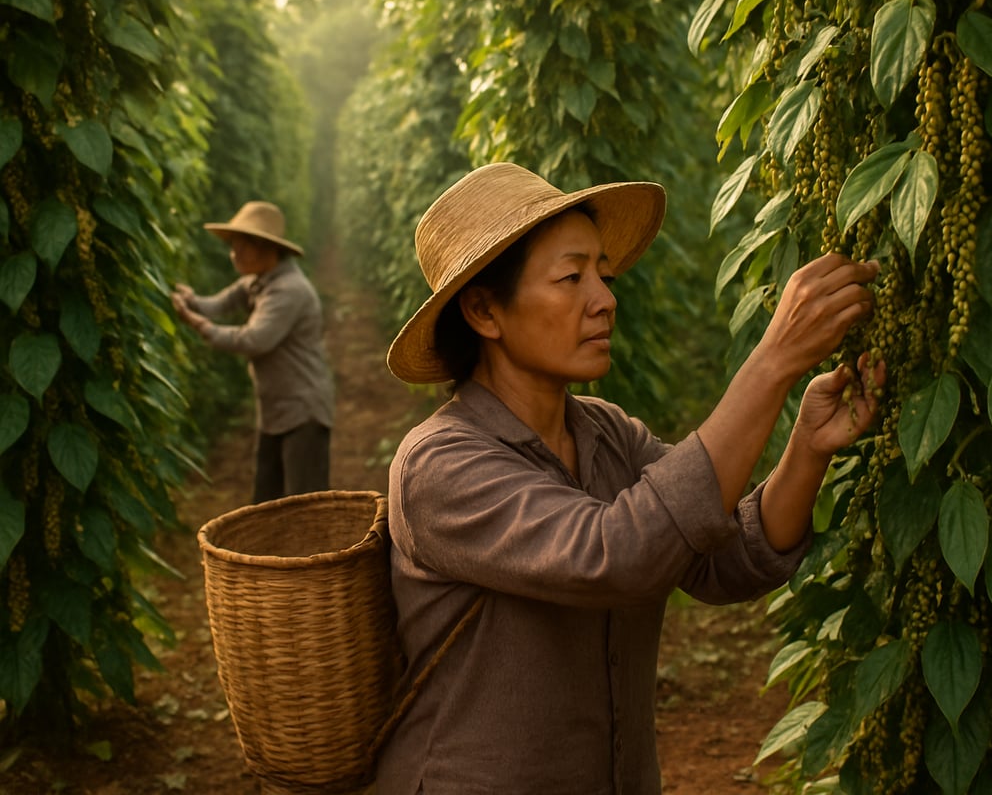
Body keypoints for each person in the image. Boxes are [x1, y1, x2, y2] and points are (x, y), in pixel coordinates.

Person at [377, 163, 883, 793]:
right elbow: (615, 552)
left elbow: (721, 556)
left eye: (604, 275)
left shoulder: (606, 433)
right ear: (483, 310)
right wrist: (773, 360)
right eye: (570, 277)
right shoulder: (439, 464)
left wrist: (806, 448)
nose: (605, 299)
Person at [171, 201, 335, 504]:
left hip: (303, 410)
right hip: (275, 409)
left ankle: (310, 553)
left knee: (307, 508)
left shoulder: (289, 290)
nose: (234, 253)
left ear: (266, 249)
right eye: (233, 246)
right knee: (266, 503)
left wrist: (196, 323)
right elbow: (218, 304)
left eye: (241, 246)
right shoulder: (256, 281)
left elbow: (254, 339)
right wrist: (190, 300)